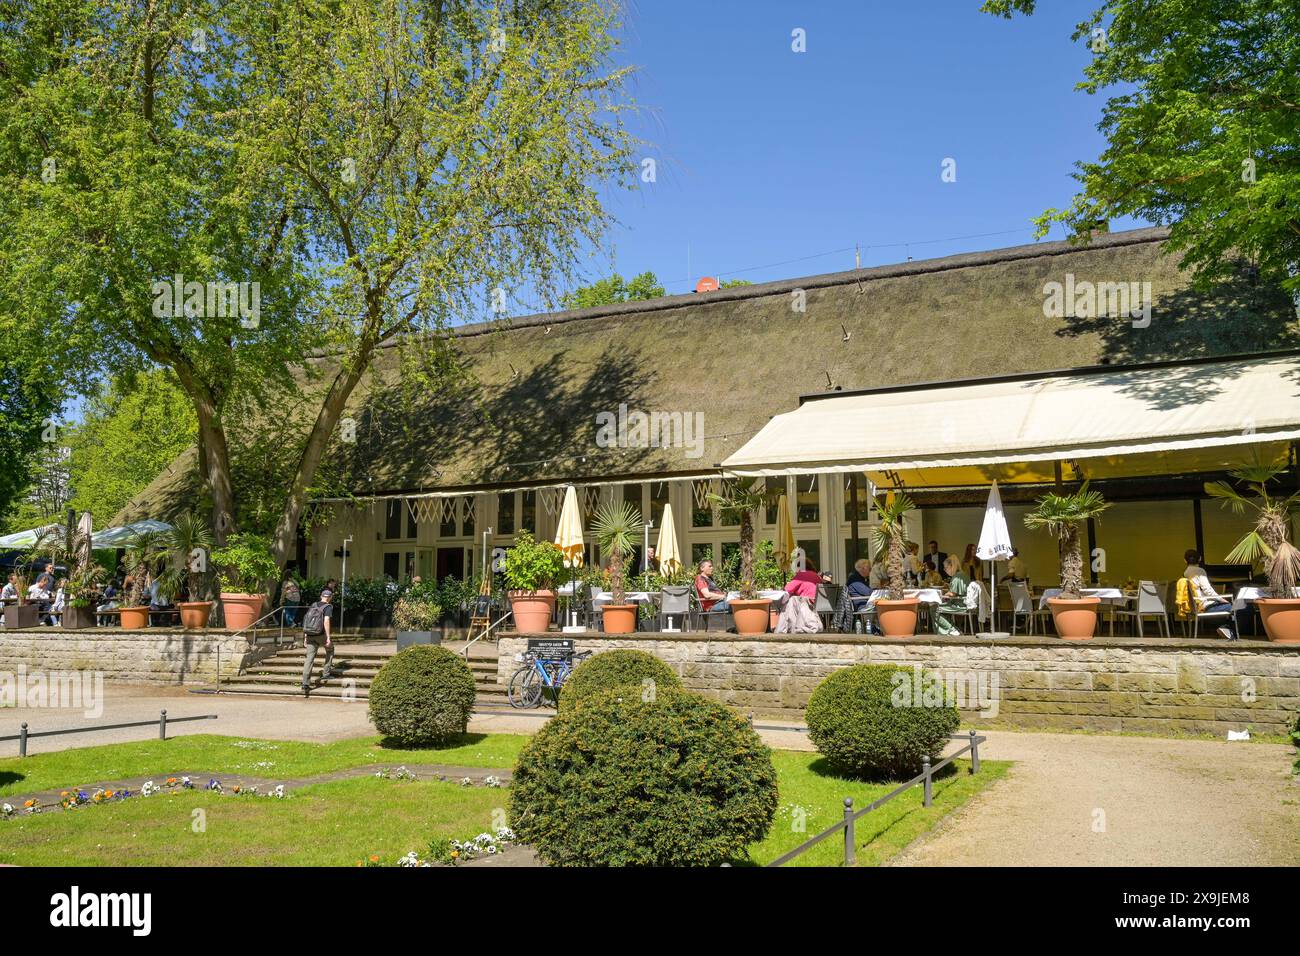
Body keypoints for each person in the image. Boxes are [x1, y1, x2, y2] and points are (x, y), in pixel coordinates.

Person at [1184, 549, 1236, 640]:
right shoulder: (1199, 571)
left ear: (1185, 560)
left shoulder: (1186, 573)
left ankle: (1224, 627)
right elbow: (1208, 591)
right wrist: (1222, 599)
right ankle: (1229, 630)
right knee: (1239, 608)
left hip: (1197, 605)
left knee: (1229, 607)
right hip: (1207, 606)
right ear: (1200, 559)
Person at [301, 587, 336, 696]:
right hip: (320, 634)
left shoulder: (314, 605)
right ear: (329, 597)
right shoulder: (328, 607)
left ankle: (305, 683)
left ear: (321, 596)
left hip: (310, 634)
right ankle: (326, 673)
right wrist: (328, 637)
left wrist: (305, 636)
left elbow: (307, 620)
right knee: (330, 650)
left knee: (309, 658)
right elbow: (326, 621)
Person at [934, 556, 970, 635]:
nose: (945, 570)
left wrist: (943, 595)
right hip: (965, 602)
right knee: (941, 607)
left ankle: (952, 630)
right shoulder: (963, 574)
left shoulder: (957, 577)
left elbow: (952, 594)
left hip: (959, 604)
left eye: (945, 568)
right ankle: (953, 629)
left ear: (951, 566)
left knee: (935, 608)